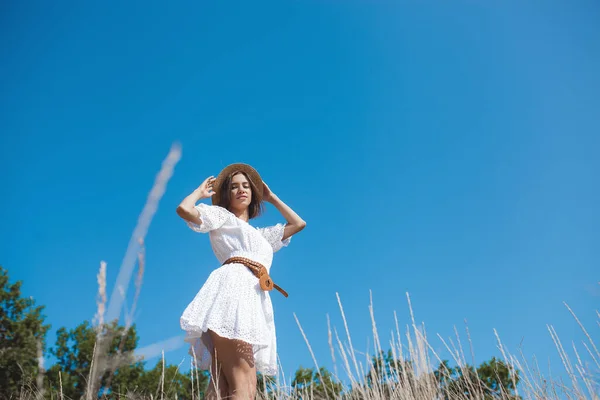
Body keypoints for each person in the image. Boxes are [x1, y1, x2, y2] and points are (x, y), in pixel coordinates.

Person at [176, 163, 306, 399]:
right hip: (232, 291)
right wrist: (200, 193)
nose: (241, 190)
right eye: (234, 187)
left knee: (228, 387)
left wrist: (272, 198)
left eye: (246, 186)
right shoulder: (222, 216)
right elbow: (185, 209)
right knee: (242, 386)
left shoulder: (261, 236)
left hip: (252, 297)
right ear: (226, 194)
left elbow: (298, 224)